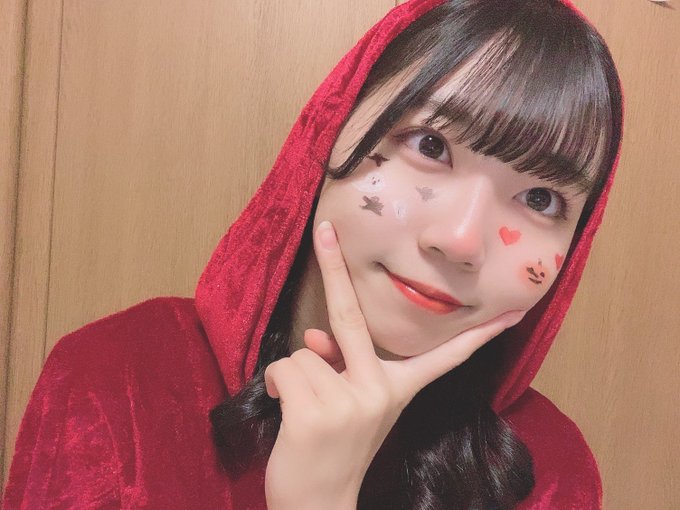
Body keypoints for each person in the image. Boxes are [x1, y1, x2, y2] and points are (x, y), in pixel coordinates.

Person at [2, 0, 623, 508]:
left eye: (540, 199)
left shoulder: (549, 471)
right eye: (430, 145)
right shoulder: (121, 379)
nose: (461, 239)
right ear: (327, 134)